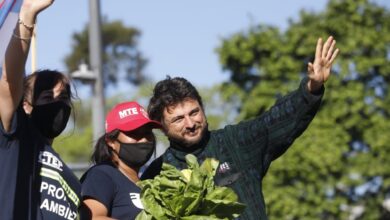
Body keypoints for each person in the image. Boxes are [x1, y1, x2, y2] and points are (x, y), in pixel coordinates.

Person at [141, 36, 339, 219]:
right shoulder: (157, 175)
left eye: (194, 112)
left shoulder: (236, 142)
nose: (191, 124)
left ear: (203, 108)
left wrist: (311, 88)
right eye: (178, 119)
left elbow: (277, 119)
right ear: (162, 128)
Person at [0, 0, 81, 219]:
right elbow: (10, 80)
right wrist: (27, 15)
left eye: (63, 97)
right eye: (47, 96)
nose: (58, 104)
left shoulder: (70, 178)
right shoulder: (15, 135)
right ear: (25, 105)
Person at [80, 101, 162, 220]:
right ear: (111, 141)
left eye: (147, 133)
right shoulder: (101, 175)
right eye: (134, 133)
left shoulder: (149, 181)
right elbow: (93, 218)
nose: (144, 140)